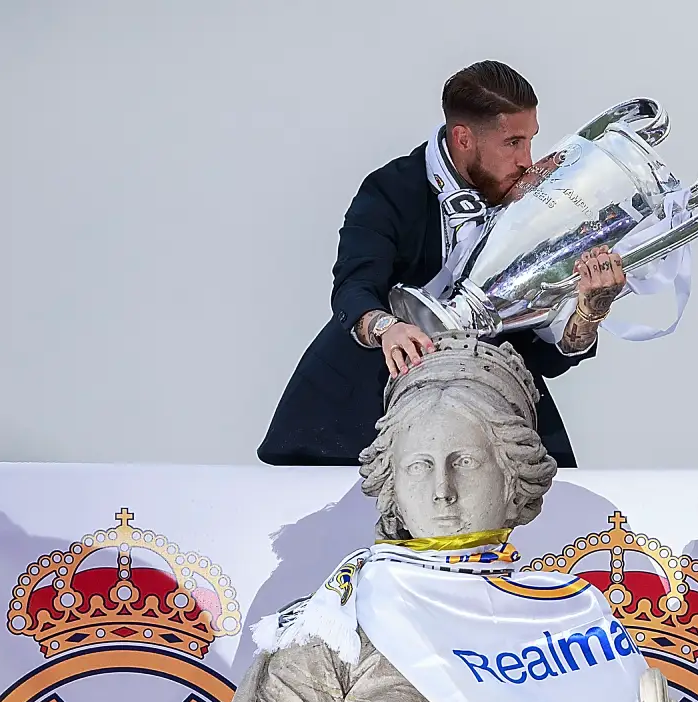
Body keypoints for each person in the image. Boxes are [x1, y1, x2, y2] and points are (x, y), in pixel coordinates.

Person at [206, 333, 698, 702]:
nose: (443, 491)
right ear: (391, 484)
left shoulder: (567, 623)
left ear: (514, 481)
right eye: (419, 465)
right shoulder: (333, 627)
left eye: (465, 461)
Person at [257, 60, 626, 469]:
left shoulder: (533, 200)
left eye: (530, 141)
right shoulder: (391, 189)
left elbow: (547, 357)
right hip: (359, 415)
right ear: (463, 137)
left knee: (553, 511)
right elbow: (353, 287)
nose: (527, 161)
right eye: (513, 143)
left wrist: (590, 311)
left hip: (487, 412)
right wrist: (387, 328)